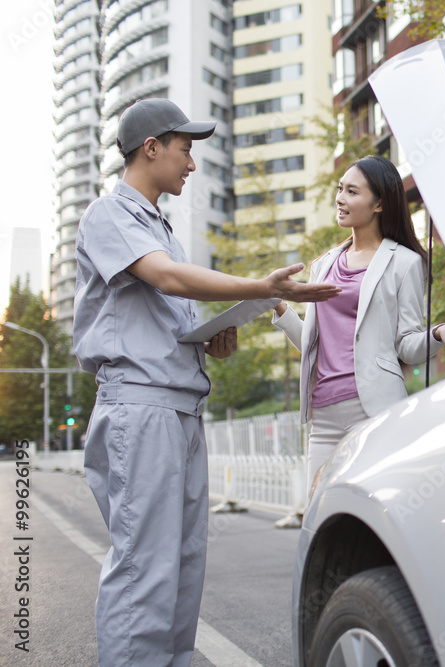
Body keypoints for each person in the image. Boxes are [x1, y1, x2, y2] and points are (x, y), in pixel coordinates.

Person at [73, 98, 339, 666]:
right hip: (140, 411)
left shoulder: (162, 228)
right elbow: (167, 279)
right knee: (144, 564)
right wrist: (258, 288)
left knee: (183, 561)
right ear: (152, 148)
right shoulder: (109, 214)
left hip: (179, 410)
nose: (191, 164)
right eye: (185, 150)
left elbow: (169, 308)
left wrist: (213, 337)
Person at [272, 155, 445, 485]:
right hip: (322, 415)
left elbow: (407, 346)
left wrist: (439, 332)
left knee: (374, 507)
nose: (340, 198)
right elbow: (314, 344)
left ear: (379, 203)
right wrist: (282, 310)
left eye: (352, 192)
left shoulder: (404, 263)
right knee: (318, 512)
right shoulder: (323, 264)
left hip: (372, 410)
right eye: (340, 189)